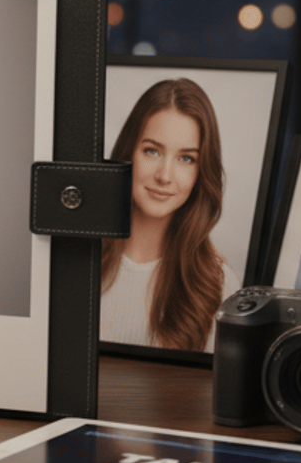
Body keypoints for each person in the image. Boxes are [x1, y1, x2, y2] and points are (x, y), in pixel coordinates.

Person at [98, 78, 240, 352]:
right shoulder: (74, 255)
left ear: (201, 172)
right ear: (128, 152)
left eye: (186, 158)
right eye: (152, 151)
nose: (164, 176)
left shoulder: (219, 283)